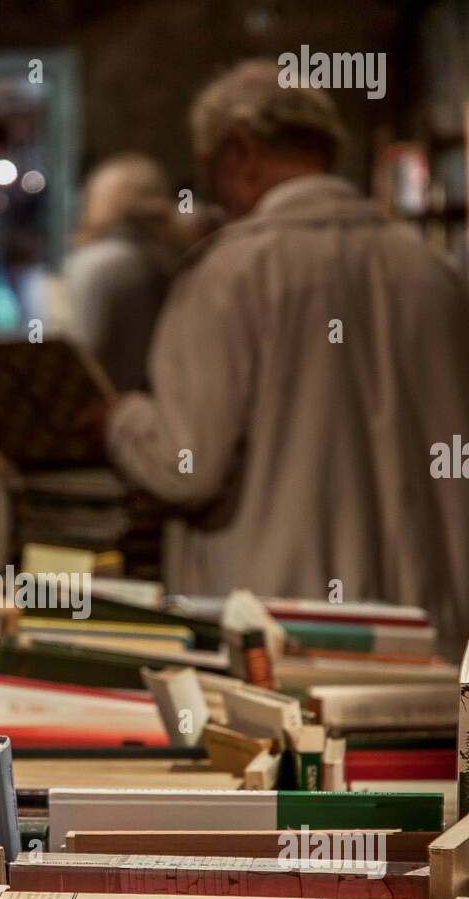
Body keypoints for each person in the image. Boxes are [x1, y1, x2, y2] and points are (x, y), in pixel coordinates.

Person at [94, 60, 469, 657]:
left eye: (210, 169)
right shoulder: (435, 274)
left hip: (280, 642)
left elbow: (185, 467)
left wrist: (119, 422)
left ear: (239, 153)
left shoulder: (228, 274)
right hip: (430, 641)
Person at [65, 154, 212, 392]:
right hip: (175, 403)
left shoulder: (97, 264)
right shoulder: (181, 257)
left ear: (99, 199)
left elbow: (86, 354)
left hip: (111, 410)